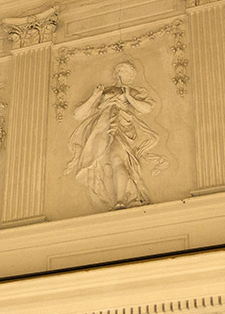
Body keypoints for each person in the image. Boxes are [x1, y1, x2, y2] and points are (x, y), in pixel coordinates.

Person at [65, 62, 167, 210]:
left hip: (121, 128)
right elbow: (78, 114)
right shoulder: (104, 91)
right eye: (120, 70)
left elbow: (146, 108)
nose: (121, 73)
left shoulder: (132, 91)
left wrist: (128, 97)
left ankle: (121, 199)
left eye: (126, 71)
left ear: (131, 76)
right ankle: (113, 201)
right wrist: (94, 97)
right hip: (100, 129)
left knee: (117, 159)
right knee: (105, 166)